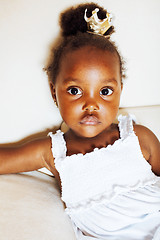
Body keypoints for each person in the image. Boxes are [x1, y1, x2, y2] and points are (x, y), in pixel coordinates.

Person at [0, 2, 160, 240]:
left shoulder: (138, 137)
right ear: (55, 93)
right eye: (75, 90)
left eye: (105, 91)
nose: (91, 104)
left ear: (120, 91)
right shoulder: (53, 151)